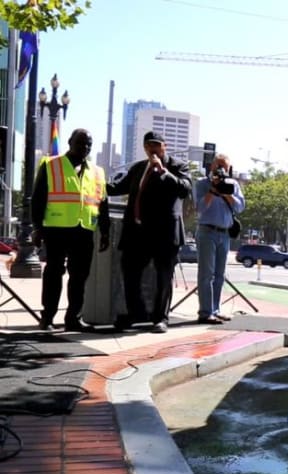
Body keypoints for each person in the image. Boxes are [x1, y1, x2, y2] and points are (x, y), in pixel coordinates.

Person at [108, 131, 192, 334]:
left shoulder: (177, 166)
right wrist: (95, 181)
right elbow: (116, 188)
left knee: (163, 276)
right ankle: (135, 314)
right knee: (130, 273)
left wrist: (163, 172)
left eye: (156, 145)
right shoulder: (138, 168)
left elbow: (185, 189)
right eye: (148, 146)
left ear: (165, 146)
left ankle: (160, 318)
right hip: (137, 232)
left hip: (164, 233)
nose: (152, 149)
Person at [30, 129, 110, 332]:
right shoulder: (51, 164)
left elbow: (103, 203)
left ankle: (73, 318)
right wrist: (37, 228)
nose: (85, 147)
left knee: (80, 276)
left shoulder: (97, 171)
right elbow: (38, 198)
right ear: (70, 142)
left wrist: (105, 232)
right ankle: (47, 317)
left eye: (89, 144)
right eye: (81, 143)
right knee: (54, 273)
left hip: (84, 229)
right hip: (56, 228)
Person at [194, 153, 245, 324]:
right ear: (211, 166)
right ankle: (205, 312)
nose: (222, 169)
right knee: (206, 274)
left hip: (224, 233)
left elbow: (240, 207)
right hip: (206, 231)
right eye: (219, 165)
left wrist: (225, 193)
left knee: (219, 275)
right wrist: (212, 190)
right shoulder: (202, 184)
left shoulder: (233, 185)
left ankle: (215, 310)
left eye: (225, 166)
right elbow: (199, 208)